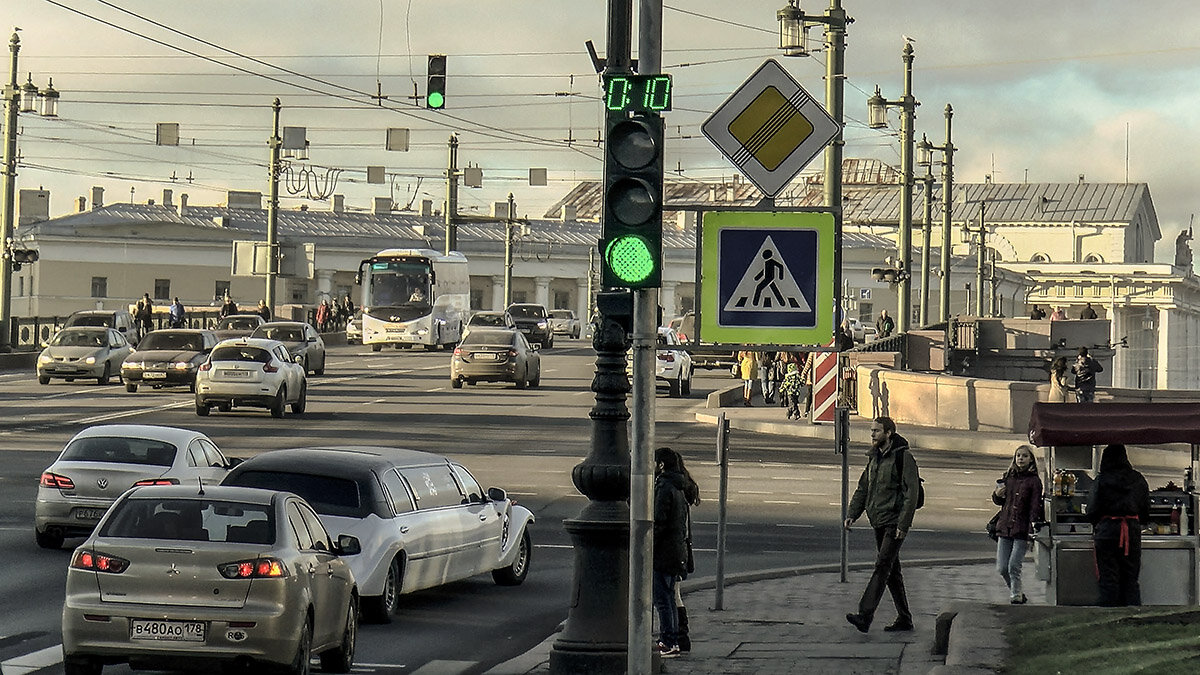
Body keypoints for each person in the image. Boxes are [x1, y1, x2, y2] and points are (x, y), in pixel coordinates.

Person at [844, 416, 920, 633]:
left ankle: (864, 616)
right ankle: (905, 619)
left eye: (877, 431)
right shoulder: (874, 457)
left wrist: (903, 525)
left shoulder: (903, 458)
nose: (873, 434)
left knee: (882, 566)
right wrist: (852, 514)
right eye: (872, 431)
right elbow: (863, 488)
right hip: (877, 520)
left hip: (894, 523)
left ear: (889, 433)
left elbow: (911, 494)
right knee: (892, 572)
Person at [1087, 444, 1150, 606]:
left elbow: (1092, 509)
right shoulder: (1138, 479)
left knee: (1108, 577)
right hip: (1131, 531)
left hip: (1107, 531)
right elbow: (1145, 509)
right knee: (1130, 578)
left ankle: (1108, 614)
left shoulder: (1101, 480)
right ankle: (1133, 615)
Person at [992, 445, 1044, 605]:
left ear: (1031, 460)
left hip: (1021, 529)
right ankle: (1018, 591)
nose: (1021, 458)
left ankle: (1016, 595)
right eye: (1018, 456)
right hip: (1005, 526)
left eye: (1024, 456)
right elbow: (1000, 502)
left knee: (1014, 565)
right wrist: (997, 495)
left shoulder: (1034, 481)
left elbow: (1035, 508)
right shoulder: (1008, 477)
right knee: (1002, 567)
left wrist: (1031, 533)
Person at [652, 447, 689, 659]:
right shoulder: (678, 486)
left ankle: (669, 641)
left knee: (663, 599)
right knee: (669, 597)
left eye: (655, 462)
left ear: (662, 465)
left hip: (664, 552)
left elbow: (659, 521)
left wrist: (647, 542)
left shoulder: (665, 486)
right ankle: (672, 639)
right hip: (675, 552)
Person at [672, 449, 701, 653]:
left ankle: (679, 637)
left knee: (667, 596)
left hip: (671, 551)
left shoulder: (673, 490)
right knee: (674, 594)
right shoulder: (684, 487)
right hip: (681, 550)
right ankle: (681, 636)